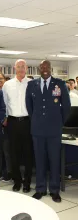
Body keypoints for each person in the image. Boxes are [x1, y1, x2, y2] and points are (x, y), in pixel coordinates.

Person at [26, 60, 71, 203]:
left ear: (51, 69)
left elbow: (67, 107)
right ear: (39, 69)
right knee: (39, 161)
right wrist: (36, 120)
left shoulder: (60, 84)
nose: (45, 69)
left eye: (47, 67)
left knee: (54, 161)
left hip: (54, 130)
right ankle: (40, 189)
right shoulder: (31, 84)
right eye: (42, 67)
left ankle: (54, 190)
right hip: (37, 130)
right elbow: (29, 106)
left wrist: (59, 123)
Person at [2, 59, 33, 193]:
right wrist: (5, 118)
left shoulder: (32, 84)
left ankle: (27, 182)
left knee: (28, 154)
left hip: (28, 122)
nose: (20, 69)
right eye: (18, 66)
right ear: (15, 68)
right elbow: (4, 103)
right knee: (13, 153)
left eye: (23, 66)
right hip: (12, 122)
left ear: (26, 68)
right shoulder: (7, 85)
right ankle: (17, 181)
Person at [0, 72, 12, 182]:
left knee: (7, 151)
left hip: (7, 124)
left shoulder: (8, 92)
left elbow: (10, 107)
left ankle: (8, 172)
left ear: (5, 80)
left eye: (1, 78)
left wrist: (6, 118)